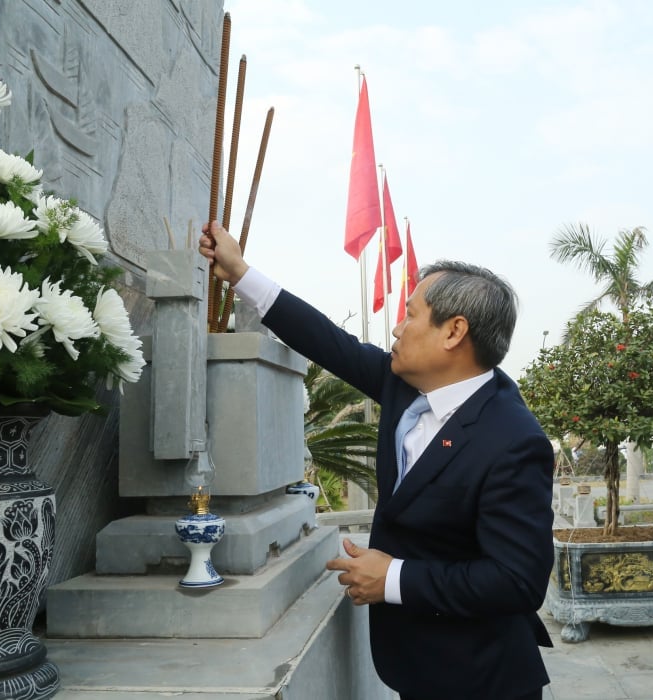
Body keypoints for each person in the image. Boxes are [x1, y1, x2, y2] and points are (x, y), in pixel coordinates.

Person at [200, 222, 554, 700]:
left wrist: (393, 578)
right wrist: (240, 273)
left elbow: (517, 581)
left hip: (479, 678)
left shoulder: (512, 440)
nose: (397, 327)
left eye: (411, 315)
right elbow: (328, 340)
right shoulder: (405, 385)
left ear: (454, 331)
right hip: (417, 666)